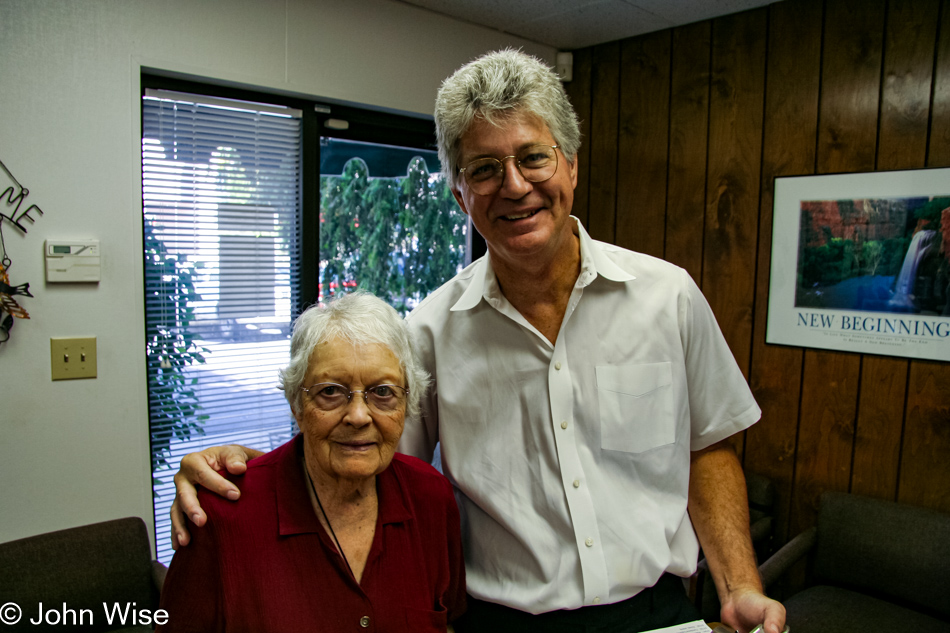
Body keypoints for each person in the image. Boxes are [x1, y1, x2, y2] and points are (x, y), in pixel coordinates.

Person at [170, 49, 787, 633]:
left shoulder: (669, 297)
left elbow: (709, 449)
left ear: (570, 163)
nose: (514, 186)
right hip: (500, 622)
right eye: (484, 169)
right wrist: (244, 476)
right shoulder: (430, 332)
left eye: (533, 158)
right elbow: (367, 453)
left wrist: (738, 587)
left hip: (652, 612)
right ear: (459, 191)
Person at [157, 292, 466, 632]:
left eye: (383, 392)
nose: (359, 416)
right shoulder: (222, 516)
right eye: (331, 391)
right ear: (296, 404)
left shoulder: (431, 499)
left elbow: (448, 621)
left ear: (407, 404)